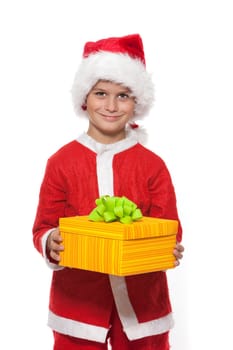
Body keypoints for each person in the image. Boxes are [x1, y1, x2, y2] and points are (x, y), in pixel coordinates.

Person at [32, 33, 184, 350]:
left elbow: (169, 227)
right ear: (85, 98)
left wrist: (168, 247)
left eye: (123, 96)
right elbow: (43, 226)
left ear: (137, 103)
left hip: (144, 308)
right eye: (101, 93)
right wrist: (51, 242)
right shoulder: (61, 162)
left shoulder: (153, 165)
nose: (111, 106)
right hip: (78, 307)